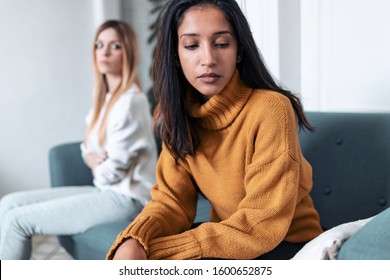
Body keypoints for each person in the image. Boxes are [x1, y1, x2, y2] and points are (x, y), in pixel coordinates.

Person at [107, 0, 323, 260]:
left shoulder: (271, 109)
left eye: (221, 44)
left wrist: (158, 252)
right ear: (175, 55)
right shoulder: (177, 116)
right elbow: (171, 201)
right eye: (191, 45)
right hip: (226, 239)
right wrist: (136, 240)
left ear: (239, 51)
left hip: (285, 245)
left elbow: (262, 223)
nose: (208, 59)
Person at [0, 20, 157, 260]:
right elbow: (87, 147)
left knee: (17, 221)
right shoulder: (106, 99)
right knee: (9, 203)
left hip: (128, 200)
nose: (104, 52)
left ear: (128, 52)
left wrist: (96, 163)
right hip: (106, 191)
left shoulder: (131, 102)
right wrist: (95, 158)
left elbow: (108, 173)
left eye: (114, 46)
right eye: (99, 44)